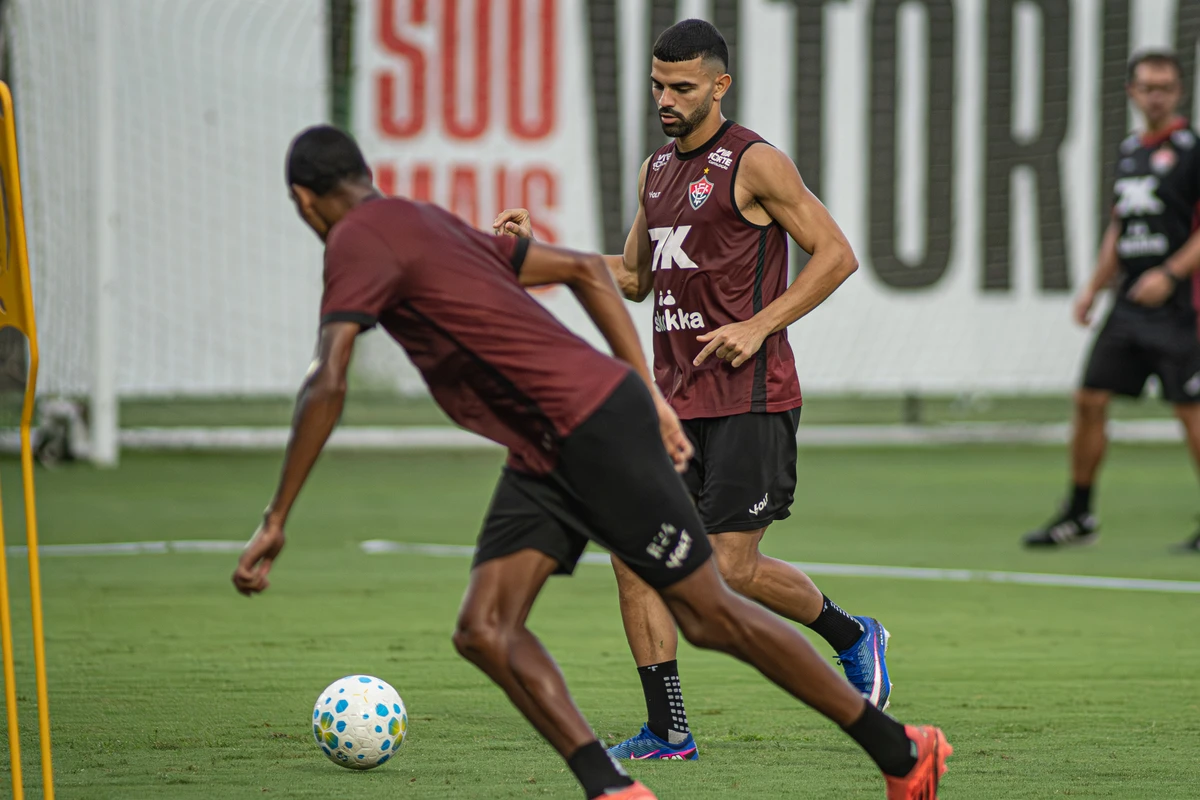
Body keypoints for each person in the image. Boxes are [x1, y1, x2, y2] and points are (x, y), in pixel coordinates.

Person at [231, 125, 951, 799]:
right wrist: (653, 394)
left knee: (710, 612)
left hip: (592, 429)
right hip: (547, 448)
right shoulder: (426, 221)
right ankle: (618, 783)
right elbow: (586, 269)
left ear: (304, 200)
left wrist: (275, 518)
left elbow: (326, 380)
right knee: (485, 629)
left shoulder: (354, 241)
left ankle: (900, 749)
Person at [494, 19, 891, 760]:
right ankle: (668, 729)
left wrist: (760, 326)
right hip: (675, 404)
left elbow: (836, 255)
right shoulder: (656, 171)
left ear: (719, 85)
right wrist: (530, 253)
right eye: (657, 86)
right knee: (631, 549)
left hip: (750, 400)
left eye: (681, 87)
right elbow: (636, 278)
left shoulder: (756, 162)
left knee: (729, 572)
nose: (666, 100)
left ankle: (852, 633)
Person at [1023, 49, 1200, 552]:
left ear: (1179, 92)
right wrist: (1094, 287)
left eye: (1165, 86)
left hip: (1181, 306)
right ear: (1132, 92)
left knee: (1190, 409)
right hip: (1128, 305)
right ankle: (1079, 514)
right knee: (1089, 399)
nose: (1157, 95)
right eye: (1148, 86)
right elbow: (1121, 227)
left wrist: (1170, 272)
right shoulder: (1130, 152)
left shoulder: (1191, 150)